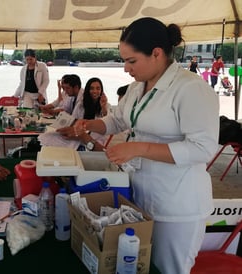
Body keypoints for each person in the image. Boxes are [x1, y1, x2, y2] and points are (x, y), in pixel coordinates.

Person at [64, 17, 219, 273]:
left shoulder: (190, 89)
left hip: (177, 204)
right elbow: (117, 120)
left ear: (156, 53)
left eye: (131, 60)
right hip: (140, 196)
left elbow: (203, 148)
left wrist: (138, 148)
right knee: (140, 265)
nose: (126, 68)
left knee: (169, 268)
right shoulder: (137, 88)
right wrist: (90, 125)